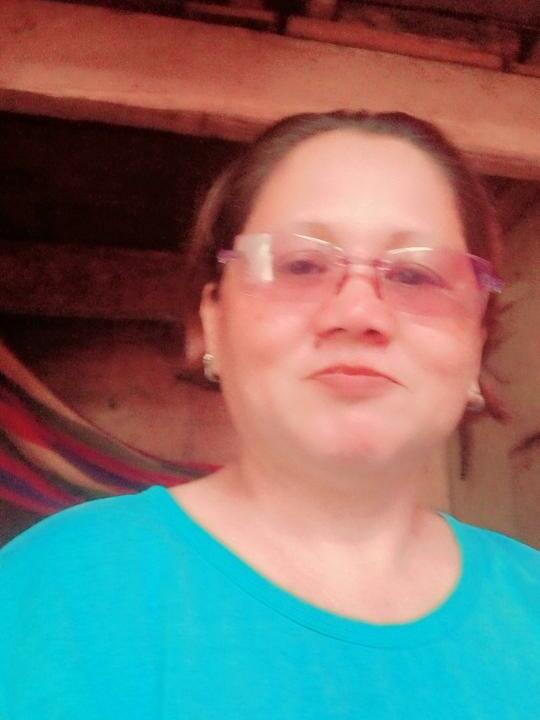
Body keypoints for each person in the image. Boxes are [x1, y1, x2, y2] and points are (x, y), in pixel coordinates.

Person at [0, 111, 538, 720]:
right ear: (210, 322)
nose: (358, 313)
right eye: (301, 265)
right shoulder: (57, 590)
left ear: (476, 346)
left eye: (416, 275)